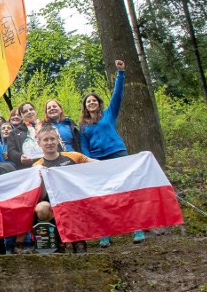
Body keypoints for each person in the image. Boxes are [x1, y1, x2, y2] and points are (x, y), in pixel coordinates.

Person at [79, 59, 144, 246]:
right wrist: (88, 161)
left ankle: (137, 229)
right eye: (88, 101)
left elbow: (117, 95)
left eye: (94, 100)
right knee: (103, 196)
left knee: (126, 191)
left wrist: (121, 73)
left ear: (99, 104)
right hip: (98, 161)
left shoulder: (109, 114)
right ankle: (106, 233)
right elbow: (84, 146)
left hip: (117, 154)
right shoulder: (83, 125)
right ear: (85, 106)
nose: (91, 103)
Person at [33, 125, 95, 253]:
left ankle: (78, 241)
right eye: (45, 140)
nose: (49, 143)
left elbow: (99, 166)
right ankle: (58, 241)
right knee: (41, 208)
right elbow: (38, 197)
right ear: (39, 143)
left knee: (71, 205)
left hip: (74, 202)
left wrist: (124, 163)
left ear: (58, 140)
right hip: (52, 204)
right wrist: (42, 180)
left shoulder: (73, 157)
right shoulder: (36, 166)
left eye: (52, 139)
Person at [6, 101, 42, 169]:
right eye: (25, 111)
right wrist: (20, 157)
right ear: (21, 116)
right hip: (28, 168)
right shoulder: (14, 133)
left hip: (47, 164)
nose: (29, 112)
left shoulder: (46, 126)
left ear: (35, 112)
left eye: (31, 109)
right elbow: (11, 152)